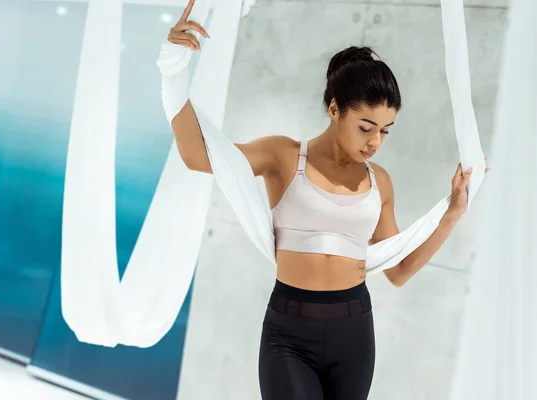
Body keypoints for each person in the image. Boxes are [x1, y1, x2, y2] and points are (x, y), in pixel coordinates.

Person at [165, 1, 488, 399]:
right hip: (288, 334)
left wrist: (454, 212)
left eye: (385, 131)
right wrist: (172, 70)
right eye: (366, 127)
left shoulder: (379, 183)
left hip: (354, 335)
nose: (375, 142)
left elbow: (399, 271)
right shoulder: (283, 156)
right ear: (334, 109)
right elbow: (197, 155)